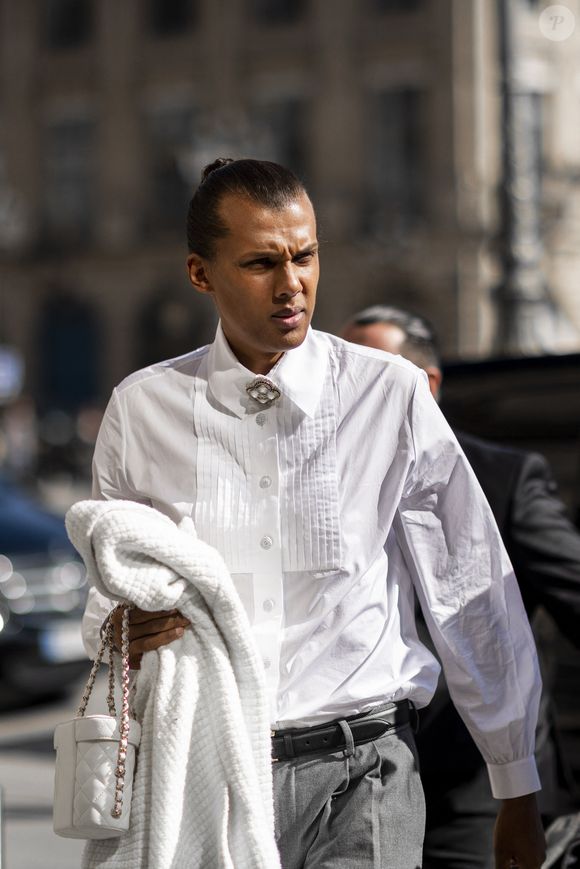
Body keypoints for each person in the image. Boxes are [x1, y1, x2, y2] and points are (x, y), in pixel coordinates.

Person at [82, 158, 546, 869]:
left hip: (364, 774)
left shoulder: (387, 394)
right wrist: (118, 627)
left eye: (305, 255)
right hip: (210, 782)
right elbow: (107, 589)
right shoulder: (143, 408)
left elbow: (469, 583)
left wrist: (516, 782)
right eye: (262, 262)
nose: (292, 282)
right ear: (201, 274)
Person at [342, 303, 580, 868]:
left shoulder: (504, 478)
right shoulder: (329, 484)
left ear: (425, 384)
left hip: (480, 791)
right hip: (355, 783)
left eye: (370, 371)